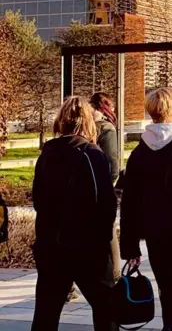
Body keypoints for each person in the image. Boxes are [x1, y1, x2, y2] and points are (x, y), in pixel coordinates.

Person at [31, 96, 117, 331]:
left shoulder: (48, 154)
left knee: (46, 310)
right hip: (87, 245)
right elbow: (104, 202)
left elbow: (38, 198)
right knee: (105, 307)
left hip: (51, 243)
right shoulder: (91, 154)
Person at [119, 87, 172, 331]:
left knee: (167, 289)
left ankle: (170, 326)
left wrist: (130, 246)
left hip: (155, 233)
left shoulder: (140, 152)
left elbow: (129, 201)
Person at [89, 93, 121, 284]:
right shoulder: (106, 128)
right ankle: (115, 277)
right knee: (109, 233)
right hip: (101, 187)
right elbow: (113, 162)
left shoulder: (82, 127)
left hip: (83, 188)